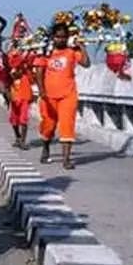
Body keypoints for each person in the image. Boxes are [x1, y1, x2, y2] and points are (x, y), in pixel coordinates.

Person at [34, 17, 89, 169]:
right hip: (48, 96)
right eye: (58, 36)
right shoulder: (45, 51)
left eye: (64, 37)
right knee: (49, 126)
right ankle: (46, 148)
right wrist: (42, 92)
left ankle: (66, 159)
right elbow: (39, 72)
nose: (61, 39)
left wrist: (82, 47)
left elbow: (86, 64)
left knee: (67, 126)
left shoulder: (72, 52)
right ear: (53, 37)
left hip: (68, 94)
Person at [4, 16, 36, 150]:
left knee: (23, 117)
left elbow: (30, 63)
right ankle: (18, 137)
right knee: (14, 118)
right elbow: (7, 69)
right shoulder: (9, 54)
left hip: (23, 88)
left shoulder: (28, 53)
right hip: (13, 89)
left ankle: (22, 140)